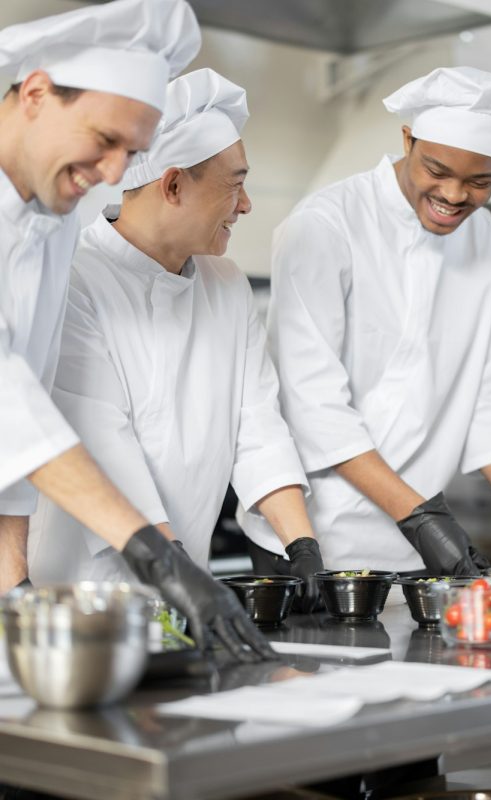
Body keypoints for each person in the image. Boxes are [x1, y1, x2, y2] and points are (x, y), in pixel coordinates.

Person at [0, 0, 272, 660]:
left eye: (134, 152)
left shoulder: (52, 221)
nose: (118, 175)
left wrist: (14, 598)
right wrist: (155, 553)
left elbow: (12, 450)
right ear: (36, 93)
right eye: (106, 141)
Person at [238, 66, 491, 576]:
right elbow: (313, 404)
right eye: (437, 171)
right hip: (310, 538)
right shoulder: (326, 225)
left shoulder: (485, 241)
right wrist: (418, 517)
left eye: (481, 181)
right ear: (407, 139)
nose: (456, 196)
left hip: (412, 542)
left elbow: (488, 390)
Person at [29, 68, 324, 612]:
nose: (246, 204)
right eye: (235, 185)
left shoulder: (227, 285)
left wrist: (301, 546)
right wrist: (177, 570)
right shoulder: (74, 280)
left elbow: (258, 427)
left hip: (188, 585)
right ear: (171, 185)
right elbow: (103, 443)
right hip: (84, 597)